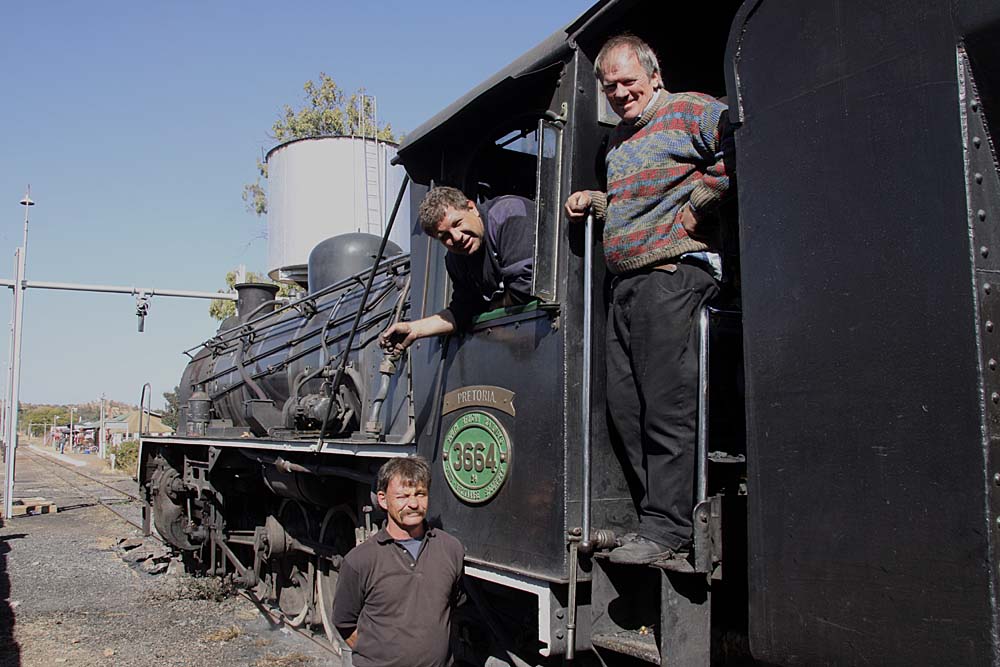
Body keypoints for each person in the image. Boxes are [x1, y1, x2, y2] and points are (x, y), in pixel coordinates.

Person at [564, 34, 733, 565]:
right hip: (628, 286)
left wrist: (701, 204)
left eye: (628, 81)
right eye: (609, 86)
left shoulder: (691, 111)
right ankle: (656, 516)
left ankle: (671, 528)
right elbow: (638, 198)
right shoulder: (618, 141)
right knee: (624, 407)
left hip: (673, 276)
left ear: (654, 76)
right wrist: (599, 202)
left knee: (666, 408)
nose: (619, 92)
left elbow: (743, 140)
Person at [333, 456, 464, 667]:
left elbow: (453, 607)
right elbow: (344, 622)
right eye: (403, 496)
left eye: (420, 494)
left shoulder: (451, 549)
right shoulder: (360, 561)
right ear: (383, 499)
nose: (413, 504)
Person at [379, 186, 534, 355]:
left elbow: (526, 285)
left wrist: (491, 306)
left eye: (457, 223)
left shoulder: (508, 213)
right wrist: (414, 329)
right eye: (444, 236)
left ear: (471, 208)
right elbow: (463, 310)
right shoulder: (455, 260)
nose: (457, 237)